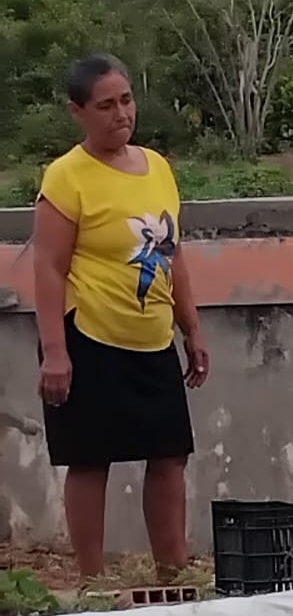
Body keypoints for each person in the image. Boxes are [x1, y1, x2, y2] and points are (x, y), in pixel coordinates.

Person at [31, 53, 209, 586]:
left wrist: (192, 327)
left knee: (169, 455)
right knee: (89, 461)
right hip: (88, 338)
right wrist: (55, 350)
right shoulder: (66, 177)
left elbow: (172, 253)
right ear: (78, 112)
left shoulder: (157, 167)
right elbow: (48, 268)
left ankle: (174, 576)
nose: (120, 114)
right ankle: (93, 583)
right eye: (105, 106)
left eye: (126, 101)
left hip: (152, 339)